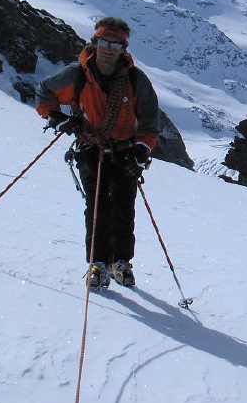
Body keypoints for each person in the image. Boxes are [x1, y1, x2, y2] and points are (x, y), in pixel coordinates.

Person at [36, 17, 160, 290]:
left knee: (124, 207)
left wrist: (142, 146)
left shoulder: (135, 81)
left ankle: (121, 261)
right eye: (105, 42)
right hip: (92, 148)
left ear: (124, 49)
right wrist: (57, 118)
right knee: (98, 205)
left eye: (116, 44)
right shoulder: (79, 74)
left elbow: (150, 119)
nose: (109, 48)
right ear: (95, 42)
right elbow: (45, 92)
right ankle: (99, 263)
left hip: (126, 151)